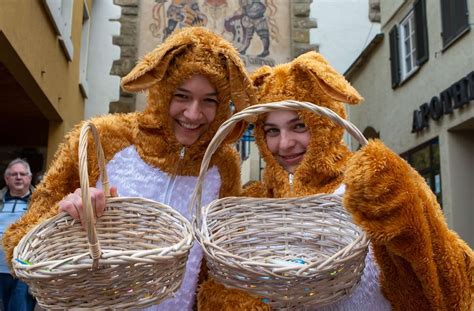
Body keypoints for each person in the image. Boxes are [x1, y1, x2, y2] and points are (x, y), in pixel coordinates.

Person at [2, 27, 255, 310]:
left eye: (210, 100)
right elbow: (19, 243)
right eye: (181, 96)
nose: (193, 114)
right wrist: (64, 216)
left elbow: (215, 265)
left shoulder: (225, 165)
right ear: (161, 89)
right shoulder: (103, 138)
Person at [198, 52, 473, 310]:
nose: (284, 143)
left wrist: (406, 218)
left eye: (299, 125)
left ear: (325, 122)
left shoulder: (373, 185)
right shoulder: (257, 203)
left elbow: (454, 285)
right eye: (271, 130)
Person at [0, 159, 36, 311]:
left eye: (23, 174)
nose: (19, 177)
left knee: (19, 307)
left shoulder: (40, 202)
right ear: (6, 179)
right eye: (14, 174)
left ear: (29, 178)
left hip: (25, 268)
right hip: (0, 268)